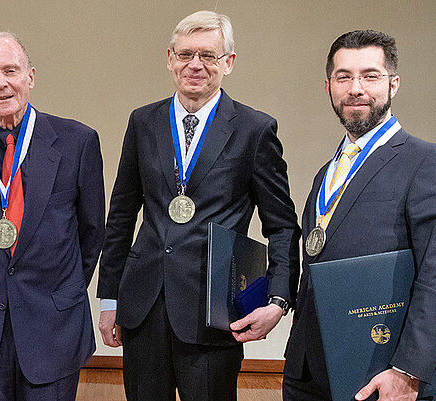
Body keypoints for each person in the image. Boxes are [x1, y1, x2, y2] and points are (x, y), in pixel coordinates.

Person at [97, 10, 300, 401]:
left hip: (215, 311)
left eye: (208, 55)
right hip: (144, 306)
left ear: (229, 63)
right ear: (170, 58)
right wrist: (110, 299)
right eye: (186, 54)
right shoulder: (143, 122)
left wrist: (277, 300)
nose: (195, 65)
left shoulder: (255, 130)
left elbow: (282, 226)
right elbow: (120, 216)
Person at [283, 29, 436, 401]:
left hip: (381, 373)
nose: (356, 88)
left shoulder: (430, 162)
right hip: (307, 371)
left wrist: (408, 371)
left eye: (370, 75)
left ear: (394, 84)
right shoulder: (327, 173)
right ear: (328, 87)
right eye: (344, 77)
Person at [0, 32, 105, 400]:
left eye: (10, 70)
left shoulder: (77, 141)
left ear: (30, 76)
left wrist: (61, 287)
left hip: (54, 325)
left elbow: (92, 233)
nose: (1, 83)